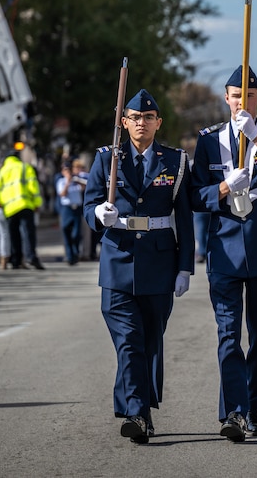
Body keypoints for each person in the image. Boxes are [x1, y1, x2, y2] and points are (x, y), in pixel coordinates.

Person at [190, 66, 257, 442]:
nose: (242, 102)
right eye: (236, 95)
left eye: (249, 96)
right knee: (227, 334)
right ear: (226, 98)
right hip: (224, 249)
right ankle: (233, 412)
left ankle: (254, 409)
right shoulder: (208, 141)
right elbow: (195, 196)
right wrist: (222, 187)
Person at [84, 88, 195, 445]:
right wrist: (99, 214)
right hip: (118, 259)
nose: (141, 123)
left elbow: (185, 218)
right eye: (134, 118)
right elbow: (89, 205)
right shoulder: (107, 159)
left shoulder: (175, 161)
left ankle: (138, 408)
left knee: (149, 342)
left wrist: (184, 267)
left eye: (148, 118)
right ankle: (137, 412)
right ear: (123, 122)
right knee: (129, 341)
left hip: (160, 262)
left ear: (158, 123)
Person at [0, 142, 44, 270]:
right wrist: (37, 204)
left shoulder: (1, 172)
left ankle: (16, 260)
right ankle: (31, 257)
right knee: (28, 233)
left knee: (14, 234)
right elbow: (33, 187)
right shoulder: (25, 168)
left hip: (9, 209)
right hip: (25, 205)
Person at [56, 158, 88, 266]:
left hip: (76, 209)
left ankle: (75, 254)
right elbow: (62, 194)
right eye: (65, 170)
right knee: (66, 232)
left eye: (69, 170)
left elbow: (85, 187)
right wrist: (68, 182)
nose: (68, 172)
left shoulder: (77, 180)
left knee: (76, 234)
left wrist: (76, 179)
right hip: (66, 209)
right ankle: (70, 256)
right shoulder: (61, 181)